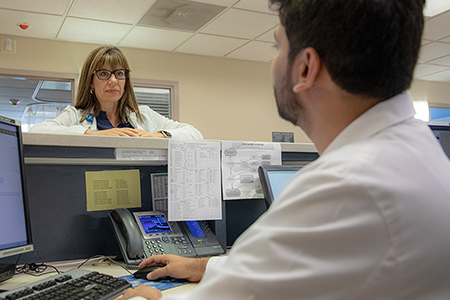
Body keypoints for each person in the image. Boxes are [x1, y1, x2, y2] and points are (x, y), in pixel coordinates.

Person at [120, 0, 450, 299]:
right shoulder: (419, 153)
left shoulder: (346, 184)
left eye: (278, 46)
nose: (274, 63)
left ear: (305, 68)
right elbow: (282, 271)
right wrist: (203, 266)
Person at [28, 46, 203, 140]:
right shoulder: (76, 116)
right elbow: (37, 131)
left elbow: (194, 134)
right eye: (104, 73)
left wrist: (157, 134)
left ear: (126, 81)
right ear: (90, 82)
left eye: (119, 73)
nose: (113, 80)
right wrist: (93, 134)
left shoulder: (144, 115)